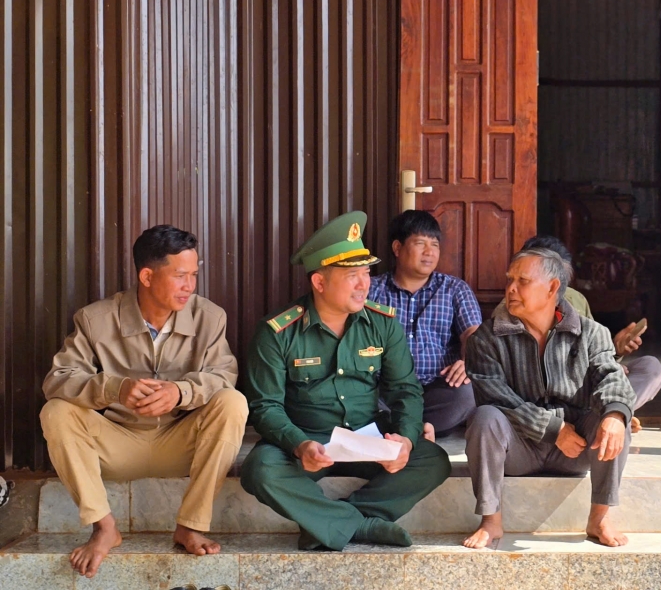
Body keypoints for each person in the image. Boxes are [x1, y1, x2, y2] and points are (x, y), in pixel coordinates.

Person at [40, 225, 247, 578]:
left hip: (180, 443)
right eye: (180, 276)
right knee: (56, 411)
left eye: (194, 275)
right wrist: (115, 389)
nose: (190, 286)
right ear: (147, 275)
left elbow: (223, 375)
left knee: (232, 402)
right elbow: (57, 380)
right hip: (117, 445)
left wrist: (181, 392)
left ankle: (190, 524)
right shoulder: (95, 319)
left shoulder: (210, 317)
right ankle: (104, 527)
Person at [239, 211, 451, 551]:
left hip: (366, 437)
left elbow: (406, 391)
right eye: (352, 275)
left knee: (433, 460)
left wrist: (408, 440)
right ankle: (362, 526)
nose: (364, 284)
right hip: (310, 441)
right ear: (319, 283)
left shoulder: (382, 324)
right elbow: (265, 407)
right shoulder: (277, 332)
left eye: (366, 273)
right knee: (260, 470)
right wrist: (299, 444)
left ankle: (332, 522)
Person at [463, 247, 636, 549]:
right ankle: (491, 521)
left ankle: (599, 518)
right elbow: (495, 396)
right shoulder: (487, 338)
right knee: (485, 417)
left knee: (614, 417)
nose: (511, 289)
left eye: (523, 281)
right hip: (518, 449)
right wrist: (553, 430)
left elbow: (611, 375)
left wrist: (616, 414)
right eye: (510, 280)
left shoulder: (591, 333)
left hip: (576, 449)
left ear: (553, 288)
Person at [493, 235, 661, 431]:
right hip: (539, 400)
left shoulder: (576, 299)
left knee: (650, 368)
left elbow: (592, 355)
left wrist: (615, 351)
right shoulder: (509, 310)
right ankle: (596, 419)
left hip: (582, 392)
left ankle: (612, 415)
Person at [368, 211, 483, 439]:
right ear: (398, 248)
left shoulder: (454, 290)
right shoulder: (372, 291)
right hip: (386, 389)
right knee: (360, 397)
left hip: (438, 389)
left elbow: (473, 335)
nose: (429, 252)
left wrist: (468, 361)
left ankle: (406, 430)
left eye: (435, 245)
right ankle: (417, 431)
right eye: (420, 243)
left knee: (467, 394)